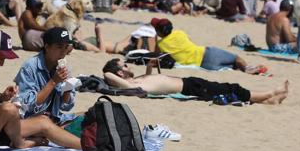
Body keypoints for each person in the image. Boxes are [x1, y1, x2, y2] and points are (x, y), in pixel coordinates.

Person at [103, 59, 289, 105]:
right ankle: (269, 94)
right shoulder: (130, 86)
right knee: (231, 89)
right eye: (124, 65)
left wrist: (150, 68)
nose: (127, 65)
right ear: (119, 72)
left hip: (189, 82)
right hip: (189, 87)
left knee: (225, 88)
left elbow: (150, 81)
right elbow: (108, 75)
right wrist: (111, 73)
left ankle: (268, 100)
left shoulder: (134, 81)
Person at [14, 27, 83, 146]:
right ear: (46, 46)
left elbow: (66, 106)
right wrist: (53, 82)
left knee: (89, 116)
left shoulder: (62, 68)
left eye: (66, 47)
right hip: (33, 121)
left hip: (56, 119)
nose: (63, 52)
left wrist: (68, 87)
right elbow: (28, 105)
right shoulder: (30, 67)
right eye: (59, 47)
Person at [151, 18, 266, 74]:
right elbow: (190, 43)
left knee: (232, 65)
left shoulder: (160, 44)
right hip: (205, 53)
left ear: (158, 31)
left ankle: (247, 69)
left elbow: (156, 55)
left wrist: (157, 39)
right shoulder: (180, 33)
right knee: (236, 59)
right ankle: (248, 68)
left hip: (203, 65)